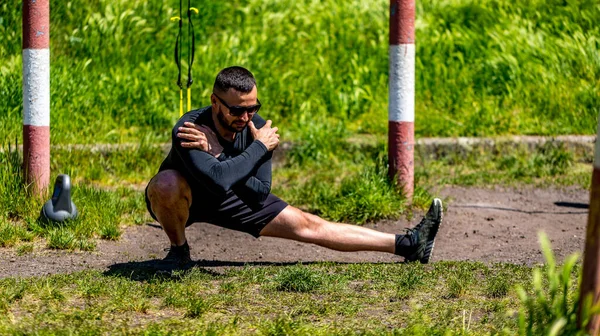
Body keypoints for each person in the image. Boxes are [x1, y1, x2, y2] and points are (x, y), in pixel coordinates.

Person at [145, 66, 443, 266]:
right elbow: (217, 181)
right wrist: (256, 150)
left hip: (236, 198)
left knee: (309, 225)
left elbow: (259, 193)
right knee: (165, 184)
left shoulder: (257, 130)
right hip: (185, 199)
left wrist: (225, 153)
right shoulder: (191, 128)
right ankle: (179, 252)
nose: (246, 117)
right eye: (237, 109)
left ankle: (407, 244)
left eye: (253, 108)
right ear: (214, 101)